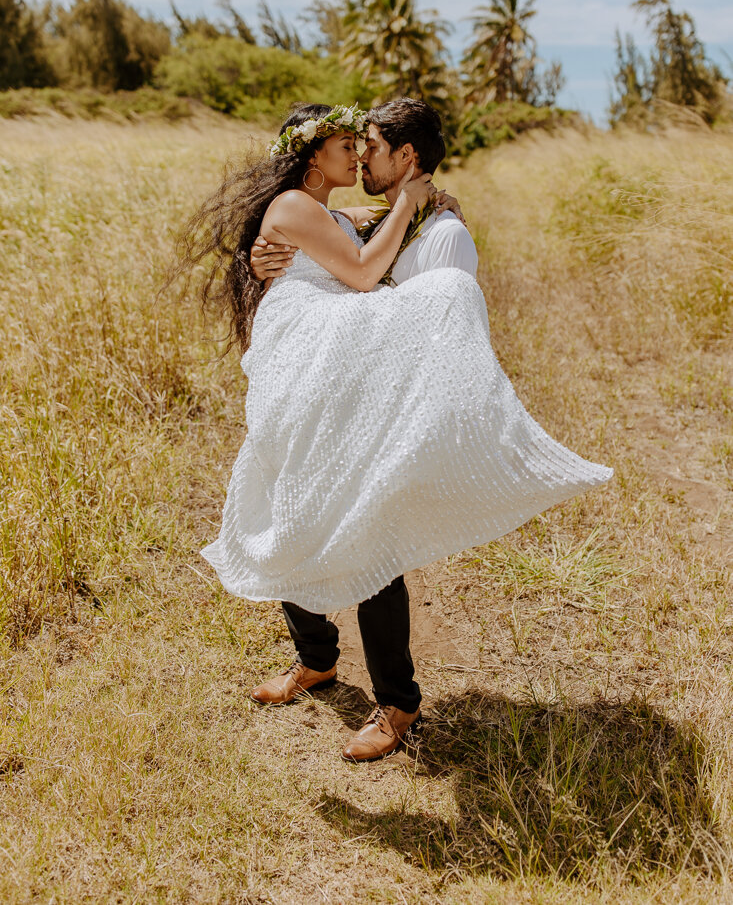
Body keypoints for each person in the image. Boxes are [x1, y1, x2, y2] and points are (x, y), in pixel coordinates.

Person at [189, 99, 613, 763]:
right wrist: (276, 250)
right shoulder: (299, 210)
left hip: (337, 386)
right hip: (305, 378)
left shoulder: (328, 212)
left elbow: (360, 245)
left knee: (362, 528)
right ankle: (316, 661)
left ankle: (396, 701)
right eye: (344, 146)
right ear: (309, 154)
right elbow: (360, 273)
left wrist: (416, 209)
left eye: (366, 146)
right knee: (287, 509)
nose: (356, 155)